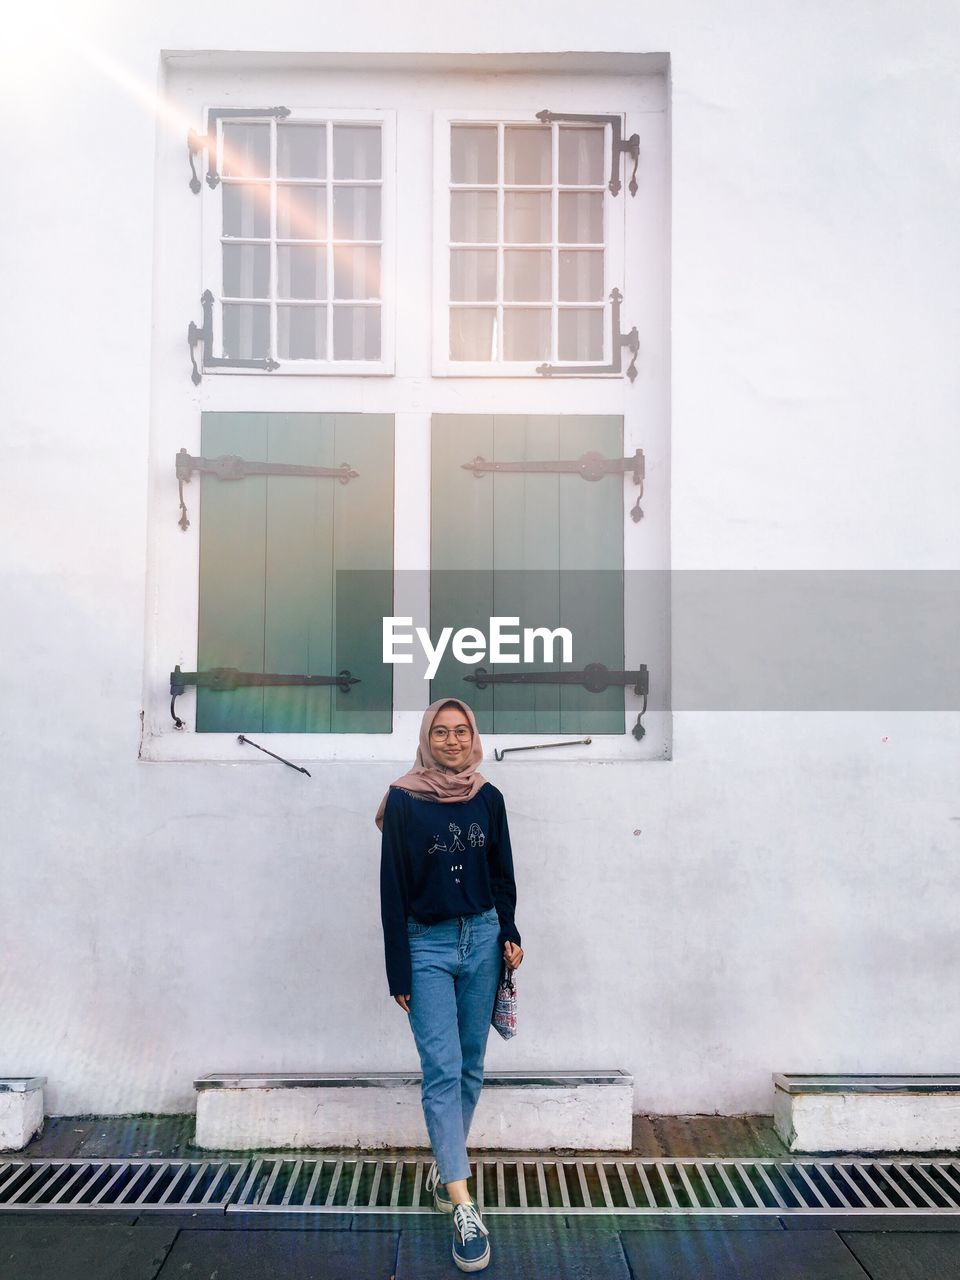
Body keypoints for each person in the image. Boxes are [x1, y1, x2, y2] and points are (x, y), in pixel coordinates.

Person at [377, 697, 523, 1273]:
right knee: (441, 1067)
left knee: (470, 1067)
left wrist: (509, 931)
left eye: (462, 731)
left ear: (474, 736)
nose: (453, 740)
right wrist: (398, 968)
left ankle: (446, 1172)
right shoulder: (404, 801)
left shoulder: (489, 799)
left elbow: (501, 875)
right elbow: (391, 887)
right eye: (442, 731)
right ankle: (463, 1204)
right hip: (426, 946)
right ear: (426, 737)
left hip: (482, 940)